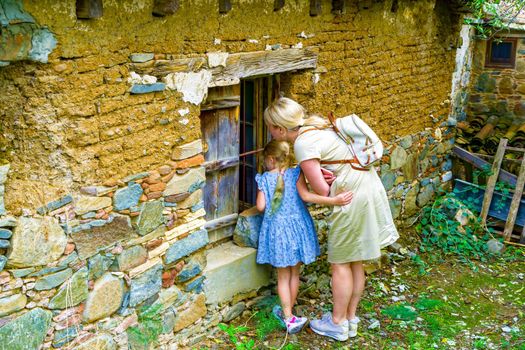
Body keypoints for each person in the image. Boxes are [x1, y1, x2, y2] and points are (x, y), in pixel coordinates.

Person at [263, 97, 399, 341]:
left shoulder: (302, 144)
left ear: (280, 129)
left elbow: (323, 192)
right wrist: (327, 174)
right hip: (365, 188)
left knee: (340, 264)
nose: (270, 132)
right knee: (355, 259)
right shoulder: (317, 127)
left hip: (349, 198)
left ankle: (337, 324)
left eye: (270, 127)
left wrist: (323, 179)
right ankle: (349, 318)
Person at [255, 140, 353, 334]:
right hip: (298, 228)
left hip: (278, 231)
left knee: (282, 276)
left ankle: (287, 316)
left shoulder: (264, 179)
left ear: (271, 159)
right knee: (294, 274)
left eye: (265, 160)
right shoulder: (296, 173)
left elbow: (260, 207)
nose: (264, 164)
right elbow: (306, 196)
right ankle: (289, 315)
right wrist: (333, 201)